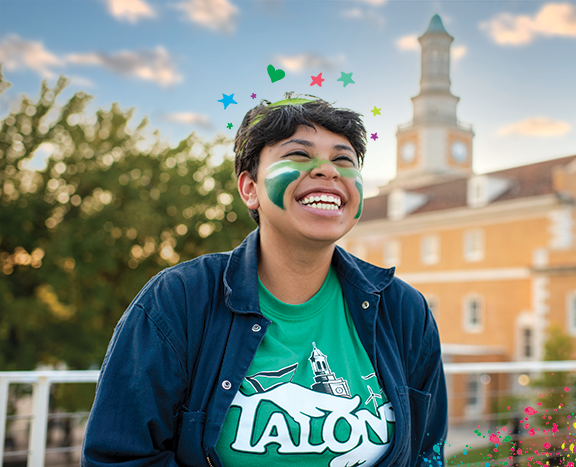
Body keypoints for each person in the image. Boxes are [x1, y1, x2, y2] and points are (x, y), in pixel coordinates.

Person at [81, 95, 448, 467]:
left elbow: (428, 455)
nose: (328, 171)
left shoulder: (404, 310)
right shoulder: (178, 300)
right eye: (300, 155)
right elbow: (118, 458)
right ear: (249, 189)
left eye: (343, 159)